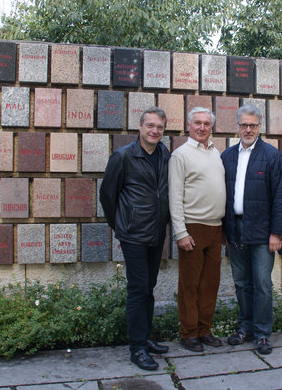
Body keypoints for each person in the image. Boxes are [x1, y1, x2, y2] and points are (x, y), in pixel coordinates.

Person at [99, 107, 170, 371]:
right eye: (150, 126)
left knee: (148, 287)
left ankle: (146, 338)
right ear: (140, 127)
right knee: (138, 289)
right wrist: (119, 226)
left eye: (160, 127)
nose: (155, 131)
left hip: (156, 232)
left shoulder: (164, 154)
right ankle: (137, 348)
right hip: (134, 235)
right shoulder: (123, 156)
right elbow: (108, 195)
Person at [220, 105, 282, 355]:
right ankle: (245, 328)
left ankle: (262, 333)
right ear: (237, 127)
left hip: (262, 231)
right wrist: (223, 228)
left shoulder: (271, 156)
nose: (248, 130)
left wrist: (276, 233)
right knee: (241, 282)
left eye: (253, 125)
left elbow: (281, 197)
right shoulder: (226, 156)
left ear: (260, 127)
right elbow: (221, 195)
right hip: (234, 229)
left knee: (262, 284)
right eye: (244, 125)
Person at [169, 107, 226, 352]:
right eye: (197, 123)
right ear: (188, 126)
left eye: (206, 123)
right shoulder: (180, 155)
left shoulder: (216, 152)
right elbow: (174, 195)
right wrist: (180, 232)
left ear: (211, 127)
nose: (202, 127)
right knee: (189, 285)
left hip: (216, 228)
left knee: (210, 284)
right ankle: (189, 333)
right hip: (193, 227)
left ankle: (204, 329)